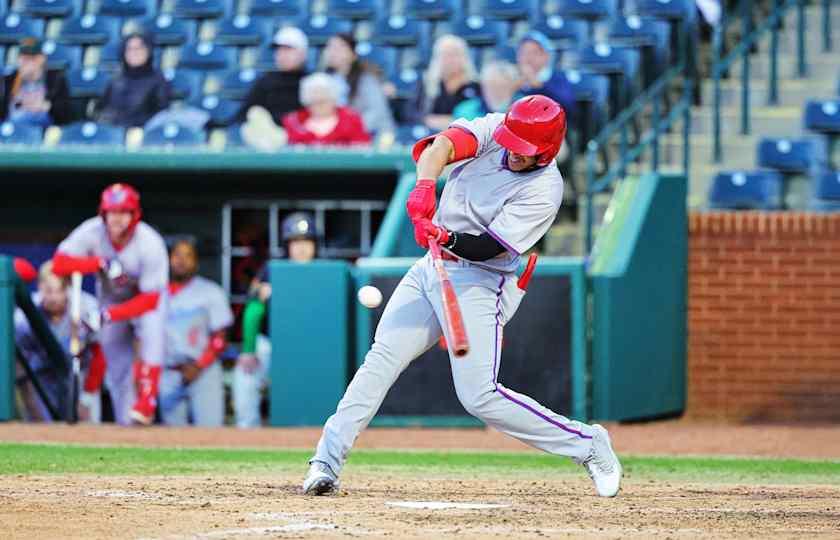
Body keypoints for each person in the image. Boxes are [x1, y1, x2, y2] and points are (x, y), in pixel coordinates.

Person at [302, 95, 622, 498]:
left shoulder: (544, 189)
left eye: (524, 151)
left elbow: (489, 247)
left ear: (546, 151)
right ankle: (325, 463)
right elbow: (442, 147)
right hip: (430, 269)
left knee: (479, 396)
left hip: (482, 279)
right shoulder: (496, 130)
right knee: (381, 359)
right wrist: (424, 187)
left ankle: (588, 444)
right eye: (512, 142)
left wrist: (445, 235)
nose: (513, 152)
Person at [51, 183, 168, 426]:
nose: (117, 218)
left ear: (134, 215)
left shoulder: (149, 242)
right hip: (111, 297)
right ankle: (127, 423)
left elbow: (151, 299)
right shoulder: (92, 231)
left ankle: (147, 402)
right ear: (103, 213)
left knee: (152, 329)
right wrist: (99, 263)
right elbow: (59, 264)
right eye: (112, 212)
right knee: (116, 366)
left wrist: (107, 315)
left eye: (124, 212)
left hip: (144, 301)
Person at [234, 212, 317, 428]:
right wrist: (248, 349)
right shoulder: (272, 270)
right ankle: (246, 432)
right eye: (295, 242)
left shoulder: (325, 271)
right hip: (271, 342)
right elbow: (253, 310)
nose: (301, 248)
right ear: (286, 245)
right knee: (245, 376)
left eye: (306, 241)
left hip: (309, 347)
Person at [14, 261, 106, 422]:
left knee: (87, 432)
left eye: (59, 290)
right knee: (40, 432)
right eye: (48, 290)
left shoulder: (85, 307)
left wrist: (87, 398)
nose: (54, 297)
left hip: (79, 378)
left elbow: (100, 354)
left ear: (68, 288)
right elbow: (19, 364)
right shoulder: (24, 315)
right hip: (41, 380)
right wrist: (28, 397)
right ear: (39, 287)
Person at [159, 237, 233, 427]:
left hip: (204, 372)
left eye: (188, 255)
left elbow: (220, 338)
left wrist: (198, 367)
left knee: (211, 432)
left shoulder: (210, 292)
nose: (181, 260)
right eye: (176, 255)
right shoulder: (156, 293)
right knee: (171, 441)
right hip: (168, 372)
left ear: (196, 262)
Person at [322, 33, 395, 137]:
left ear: (353, 54)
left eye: (339, 48)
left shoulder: (367, 80)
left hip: (371, 136)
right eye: (329, 47)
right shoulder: (323, 80)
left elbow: (376, 113)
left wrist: (349, 129)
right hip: (336, 138)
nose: (333, 52)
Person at [236, 26, 309, 126]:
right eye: (279, 50)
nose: (282, 55)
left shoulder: (313, 83)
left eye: (287, 49)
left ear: (303, 54)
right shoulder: (265, 82)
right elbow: (243, 116)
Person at [97, 33, 172, 127]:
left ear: (148, 51)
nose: (134, 52)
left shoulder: (158, 80)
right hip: (114, 132)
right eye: (129, 49)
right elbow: (101, 109)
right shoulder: (115, 81)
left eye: (139, 48)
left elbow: (161, 116)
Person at [282, 73, 371, 146]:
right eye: (314, 101)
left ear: (334, 99)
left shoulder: (352, 119)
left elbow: (363, 150)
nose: (319, 104)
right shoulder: (293, 121)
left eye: (324, 101)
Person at [0, 37, 70, 127]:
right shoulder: (10, 79)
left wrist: (47, 107)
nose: (25, 62)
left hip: (43, 128)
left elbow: (65, 113)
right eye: (22, 58)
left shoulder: (54, 79)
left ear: (41, 59)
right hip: (12, 128)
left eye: (31, 58)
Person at [516, 31, 577, 128]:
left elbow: (567, 107)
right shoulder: (511, 77)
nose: (528, 58)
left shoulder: (558, 77)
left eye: (534, 53)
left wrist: (539, 86)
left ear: (546, 56)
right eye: (523, 53)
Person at [423, 35, 480, 132]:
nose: (451, 60)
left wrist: (451, 122)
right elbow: (414, 114)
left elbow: (480, 118)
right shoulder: (427, 83)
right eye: (446, 55)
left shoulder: (476, 86)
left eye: (455, 54)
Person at [452, 60, 521, 120]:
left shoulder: (522, 109)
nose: (495, 91)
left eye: (501, 86)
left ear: (513, 86)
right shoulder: (464, 110)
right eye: (491, 84)